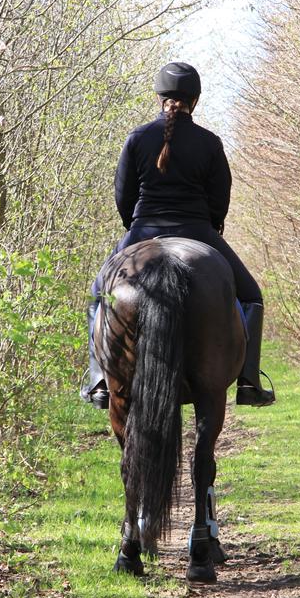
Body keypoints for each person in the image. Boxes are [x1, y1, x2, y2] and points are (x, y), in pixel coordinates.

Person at [80, 61, 275, 409]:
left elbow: (123, 195)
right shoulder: (209, 142)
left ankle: (98, 380)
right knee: (251, 296)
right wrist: (210, 224)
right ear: (195, 100)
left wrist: (135, 227)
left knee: (98, 295)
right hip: (198, 230)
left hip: (143, 231)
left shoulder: (138, 138)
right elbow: (220, 199)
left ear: (159, 97)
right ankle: (248, 381)